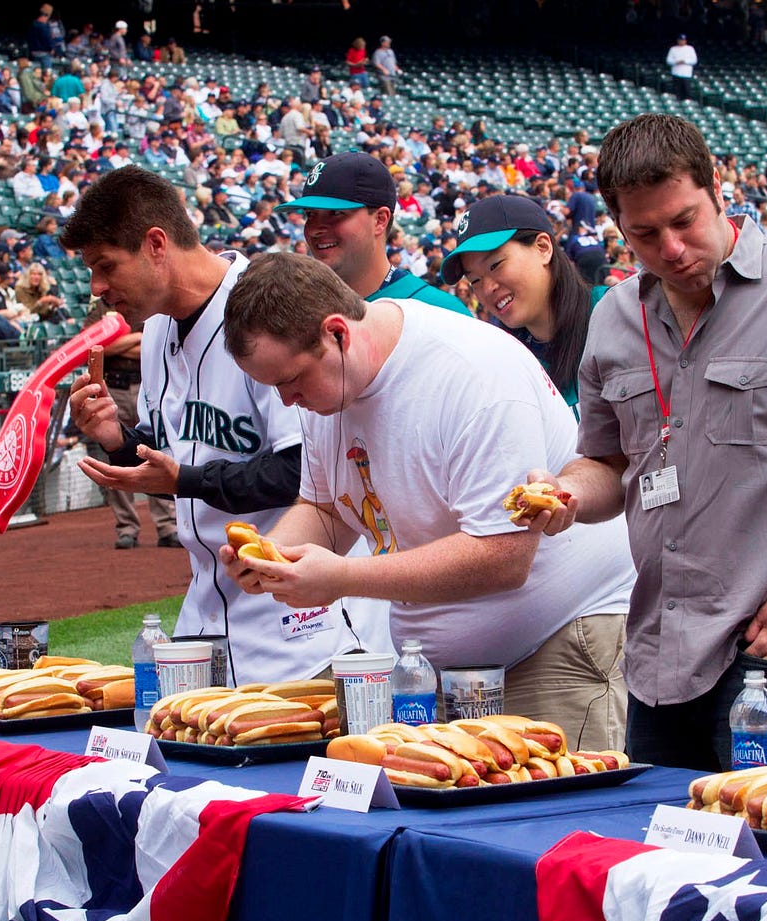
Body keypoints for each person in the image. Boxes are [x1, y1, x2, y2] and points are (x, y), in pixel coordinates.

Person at [532, 113, 767, 771]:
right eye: (644, 233)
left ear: (718, 188)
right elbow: (609, 465)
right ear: (617, 225)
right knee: (664, 859)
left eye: (684, 220)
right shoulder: (614, 317)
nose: (670, 248)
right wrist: (566, 495)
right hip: (658, 654)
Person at [221, 252, 635, 749]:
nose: (287, 401)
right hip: (435, 672)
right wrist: (269, 556)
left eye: (290, 381)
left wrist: (341, 578)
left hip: (557, 647)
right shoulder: (328, 387)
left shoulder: (471, 374)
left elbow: (502, 556)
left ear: (338, 333)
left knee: (551, 819)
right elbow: (328, 509)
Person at [61, 166, 390, 686]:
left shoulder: (268, 307)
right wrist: (119, 441)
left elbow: (305, 470)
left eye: (106, 266)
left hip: (298, 619)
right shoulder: (156, 330)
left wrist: (183, 480)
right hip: (207, 610)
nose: (98, 288)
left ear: (155, 244)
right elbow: (169, 452)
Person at [440, 195, 600, 414]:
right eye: (475, 281)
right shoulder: (504, 361)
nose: (487, 289)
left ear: (543, 248)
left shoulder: (616, 314)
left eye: (495, 265)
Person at [290, 152, 471, 315]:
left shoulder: (440, 312)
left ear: (380, 220)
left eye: (336, 213)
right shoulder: (295, 308)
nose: (315, 229)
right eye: (310, 214)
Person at [81, 301, 179, 550]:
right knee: (117, 453)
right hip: (113, 387)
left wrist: (119, 345)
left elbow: (155, 345)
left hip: (145, 386)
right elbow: (93, 348)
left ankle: (167, 526)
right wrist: (138, 339)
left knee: (158, 450)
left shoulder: (151, 303)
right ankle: (127, 528)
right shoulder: (100, 309)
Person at [666, 34, 697, 99]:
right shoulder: (673, 49)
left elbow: (694, 60)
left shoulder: (690, 48)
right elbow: (668, 61)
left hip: (686, 74)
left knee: (687, 92)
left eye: (683, 40)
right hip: (676, 73)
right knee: (677, 92)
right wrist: (676, 62)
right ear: (678, 40)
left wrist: (685, 61)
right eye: (680, 40)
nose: (682, 41)